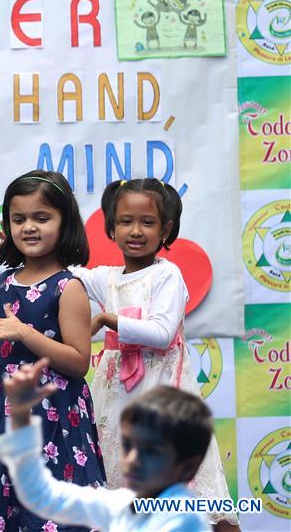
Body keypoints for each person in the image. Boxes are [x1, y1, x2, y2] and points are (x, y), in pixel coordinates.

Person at [0, 171, 105, 531]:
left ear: (64, 223)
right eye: (19, 218)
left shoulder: (68, 287)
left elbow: (78, 362)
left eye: (42, 218)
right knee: (2, 510)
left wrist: (24, 333)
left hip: (51, 415)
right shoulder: (1, 283)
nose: (29, 227)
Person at [71, 178, 236, 527]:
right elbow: (64, 276)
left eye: (147, 222)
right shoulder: (107, 278)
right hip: (118, 400)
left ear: (166, 230)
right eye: (125, 221)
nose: (136, 231)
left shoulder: (167, 275)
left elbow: (161, 334)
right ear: (111, 228)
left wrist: (106, 319)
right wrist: (18, 251)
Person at [0, 358, 212, 531]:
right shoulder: (121, 504)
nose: (132, 459)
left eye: (150, 451)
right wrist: (20, 415)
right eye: (127, 445)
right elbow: (41, 494)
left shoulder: (184, 519)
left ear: (187, 466)